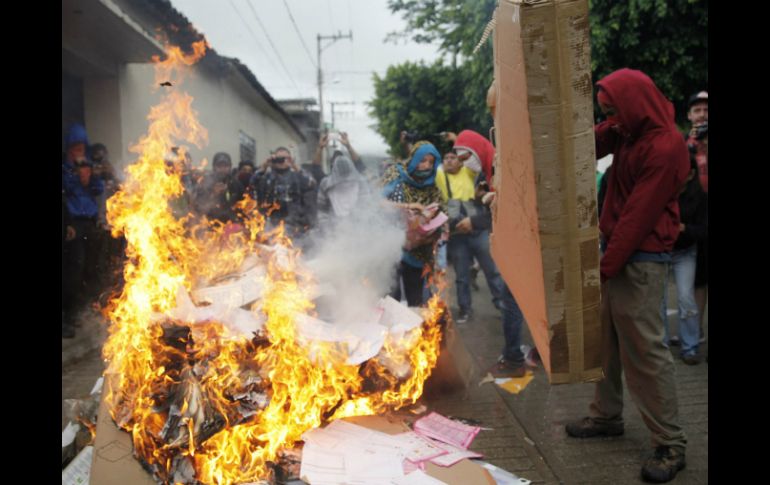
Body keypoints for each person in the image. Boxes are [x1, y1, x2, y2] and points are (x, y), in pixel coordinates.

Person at [564, 68, 690, 483]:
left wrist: (604, 268)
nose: (610, 119)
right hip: (617, 251)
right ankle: (606, 417)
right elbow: (583, 145)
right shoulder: (628, 133)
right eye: (606, 112)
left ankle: (670, 443)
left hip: (643, 258)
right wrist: (589, 124)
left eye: (614, 111)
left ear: (634, 105)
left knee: (645, 350)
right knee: (606, 343)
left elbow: (637, 217)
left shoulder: (667, 145)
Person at [452, 130, 527, 377]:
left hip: (518, 244)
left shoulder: (501, 167)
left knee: (510, 298)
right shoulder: (490, 171)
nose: (464, 165)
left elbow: (509, 208)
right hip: (511, 243)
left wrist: (475, 221)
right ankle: (512, 354)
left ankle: (514, 357)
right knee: (510, 299)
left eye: (465, 158)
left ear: (476, 151)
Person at [380, 141, 445, 306]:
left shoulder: (432, 187)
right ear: (414, 159)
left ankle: (415, 331)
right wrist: (409, 206)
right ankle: (390, 332)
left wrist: (429, 222)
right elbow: (379, 202)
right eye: (423, 160)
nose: (427, 166)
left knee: (416, 301)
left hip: (417, 250)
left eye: (431, 162)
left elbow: (441, 214)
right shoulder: (395, 174)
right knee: (390, 298)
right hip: (389, 244)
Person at [660, 154, 708, 364]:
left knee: (686, 297)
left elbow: (703, 230)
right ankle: (659, 348)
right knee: (658, 300)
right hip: (660, 250)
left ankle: (690, 346)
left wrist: (684, 229)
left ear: (690, 175)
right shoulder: (661, 190)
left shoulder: (700, 197)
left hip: (685, 251)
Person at [62, 124, 104, 330]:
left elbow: (98, 189)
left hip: (90, 221)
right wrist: (75, 172)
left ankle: (79, 311)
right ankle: (67, 315)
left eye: (81, 146)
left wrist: (92, 175)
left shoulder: (87, 164)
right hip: (74, 223)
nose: (79, 150)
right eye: (75, 146)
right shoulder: (65, 168)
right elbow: (66, 189)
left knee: (90, 268)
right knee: (73, 268)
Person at [251, 146, 317, 240]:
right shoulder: (267, 177)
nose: (281, 161)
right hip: (272, 225)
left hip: (294, 224)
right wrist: (264, 166)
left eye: (285, 158)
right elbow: (252, 183)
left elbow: (312, 184)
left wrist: (294, 165)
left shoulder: (297, 176)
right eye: (279, 158)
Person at [316, 155, 371, 232]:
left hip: (357, 228)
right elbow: (322, 211)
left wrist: (357, 226)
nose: (345, 181)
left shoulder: (361, 182)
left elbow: (365, 207)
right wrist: (327, 230)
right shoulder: (326, 184)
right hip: (334, 228)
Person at [193, 152, 245, 224]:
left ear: (230, 167)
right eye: (219, 166)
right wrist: (213, 194)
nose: (222, 169)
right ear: (214, 167)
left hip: (231, 224)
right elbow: (198, 205)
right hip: (210, 223)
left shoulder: (236, 184)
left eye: (225, 166)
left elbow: (244, 204)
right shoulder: (205, 182)